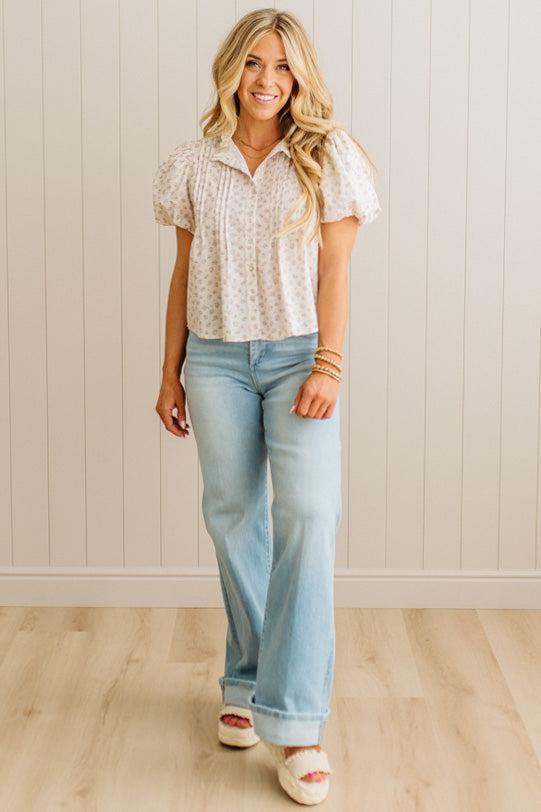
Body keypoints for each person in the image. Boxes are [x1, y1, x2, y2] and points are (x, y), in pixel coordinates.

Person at [153, 8, 381, 805]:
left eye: (282, 67)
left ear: (299, 76)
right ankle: (245, 681)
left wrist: (328, 362)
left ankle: (297, 723)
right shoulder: (192, 161)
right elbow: (183, 274)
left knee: (310, 517)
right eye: (253, 63)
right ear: (231, 69)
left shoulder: (329, 157)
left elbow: (336, 274)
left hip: (296, 359)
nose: (266, 80)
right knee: (232, 514)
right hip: (213, 358)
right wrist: (171, 370)